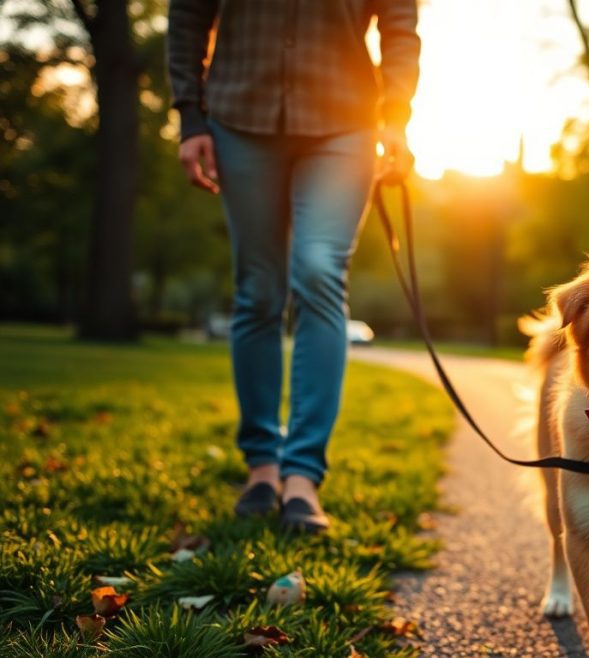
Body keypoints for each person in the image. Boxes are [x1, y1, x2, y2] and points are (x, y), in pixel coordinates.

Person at [167, 0, 420, 533]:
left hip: (345, 119)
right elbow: (189, 13)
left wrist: (396, 114)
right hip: (238, 115)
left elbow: (399, 23)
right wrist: (190, 114)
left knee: (318, 269)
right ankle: (262, 467)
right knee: (258, 290)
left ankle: (302, 475)